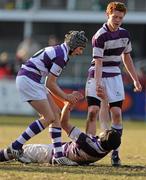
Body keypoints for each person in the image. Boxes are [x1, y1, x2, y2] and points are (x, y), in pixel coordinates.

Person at [6, 30, 88, 165]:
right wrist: (67, 97)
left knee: (56, 114)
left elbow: (48, 84)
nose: (80, 52)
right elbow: (50, 83)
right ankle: (16, 145)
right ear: (73, 46)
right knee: (49, 117)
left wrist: (64, 99)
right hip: (29, 79)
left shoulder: (61, 51)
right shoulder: (62, 56)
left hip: (33, 79)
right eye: (80, 49)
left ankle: (58, 156)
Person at [85, 1, 142, 166]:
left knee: (116, 113)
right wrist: (98, 83)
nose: (117, 20)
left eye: (120, 17)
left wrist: (135, 79)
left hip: (115, 75)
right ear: (107, 15)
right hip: (97, 73)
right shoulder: (99, 36)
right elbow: (98, 62)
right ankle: (88, 149)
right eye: (115, 16)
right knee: (93, 111)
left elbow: (127, 57)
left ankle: (115, 154)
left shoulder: (125, 34)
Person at [0, 102, 121, 165]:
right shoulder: (106, 149)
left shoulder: (87, 142)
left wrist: (67, 105)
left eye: (105, 132)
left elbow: (64, 123)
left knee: (17, 151)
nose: (102, 130)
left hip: (50, 154)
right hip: (58, 153)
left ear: (102, 138)